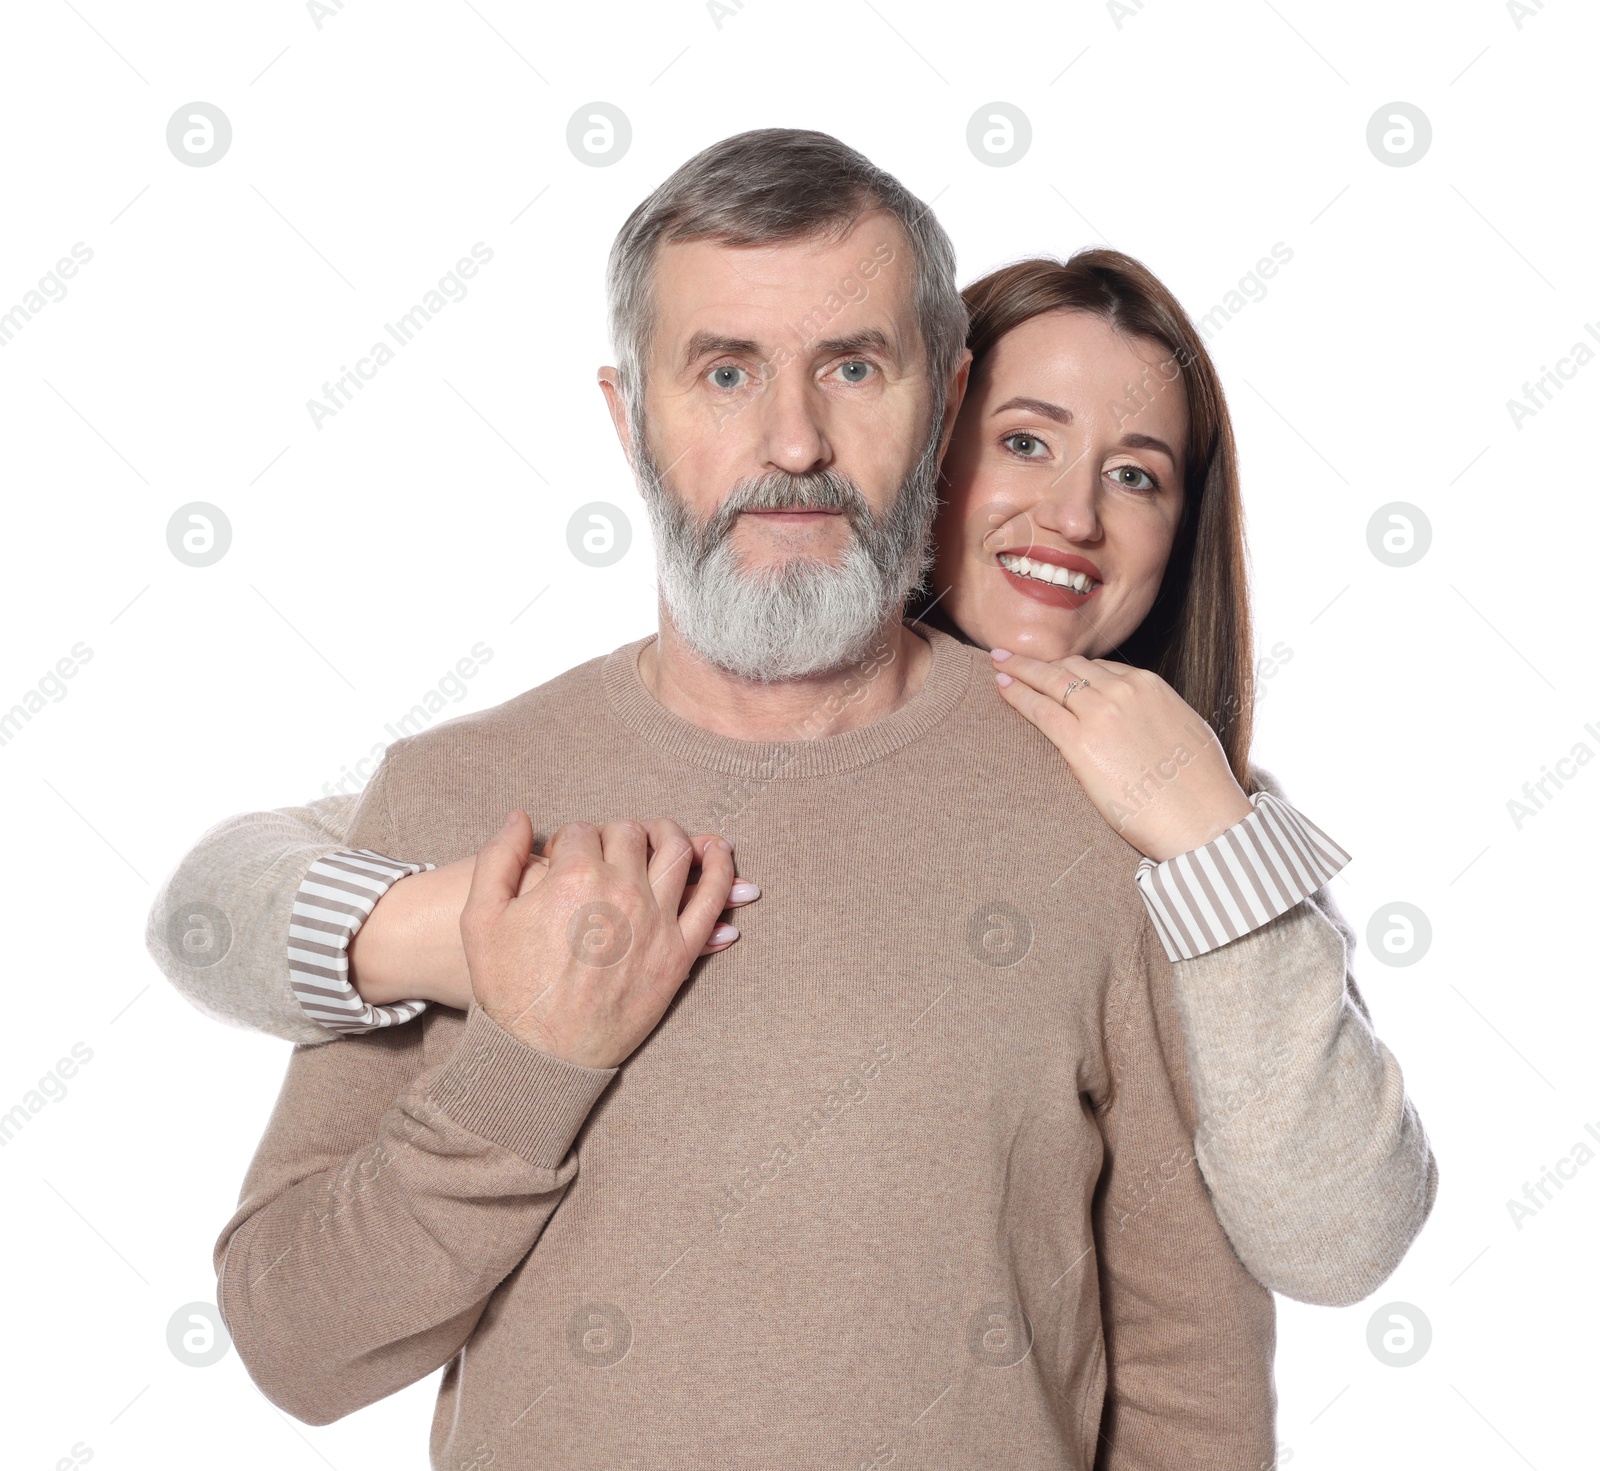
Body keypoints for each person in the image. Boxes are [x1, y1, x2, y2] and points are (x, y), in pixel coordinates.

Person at [157, 128, 1428, 1467]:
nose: (793, 441)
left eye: (854, 369)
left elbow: (1191, 1379)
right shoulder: (458, 792)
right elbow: (294, 1347)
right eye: (723, 371)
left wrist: (1217, 830)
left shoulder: (1128, 826)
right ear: (628, 416)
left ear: (934, 409)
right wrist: (525, 1053)